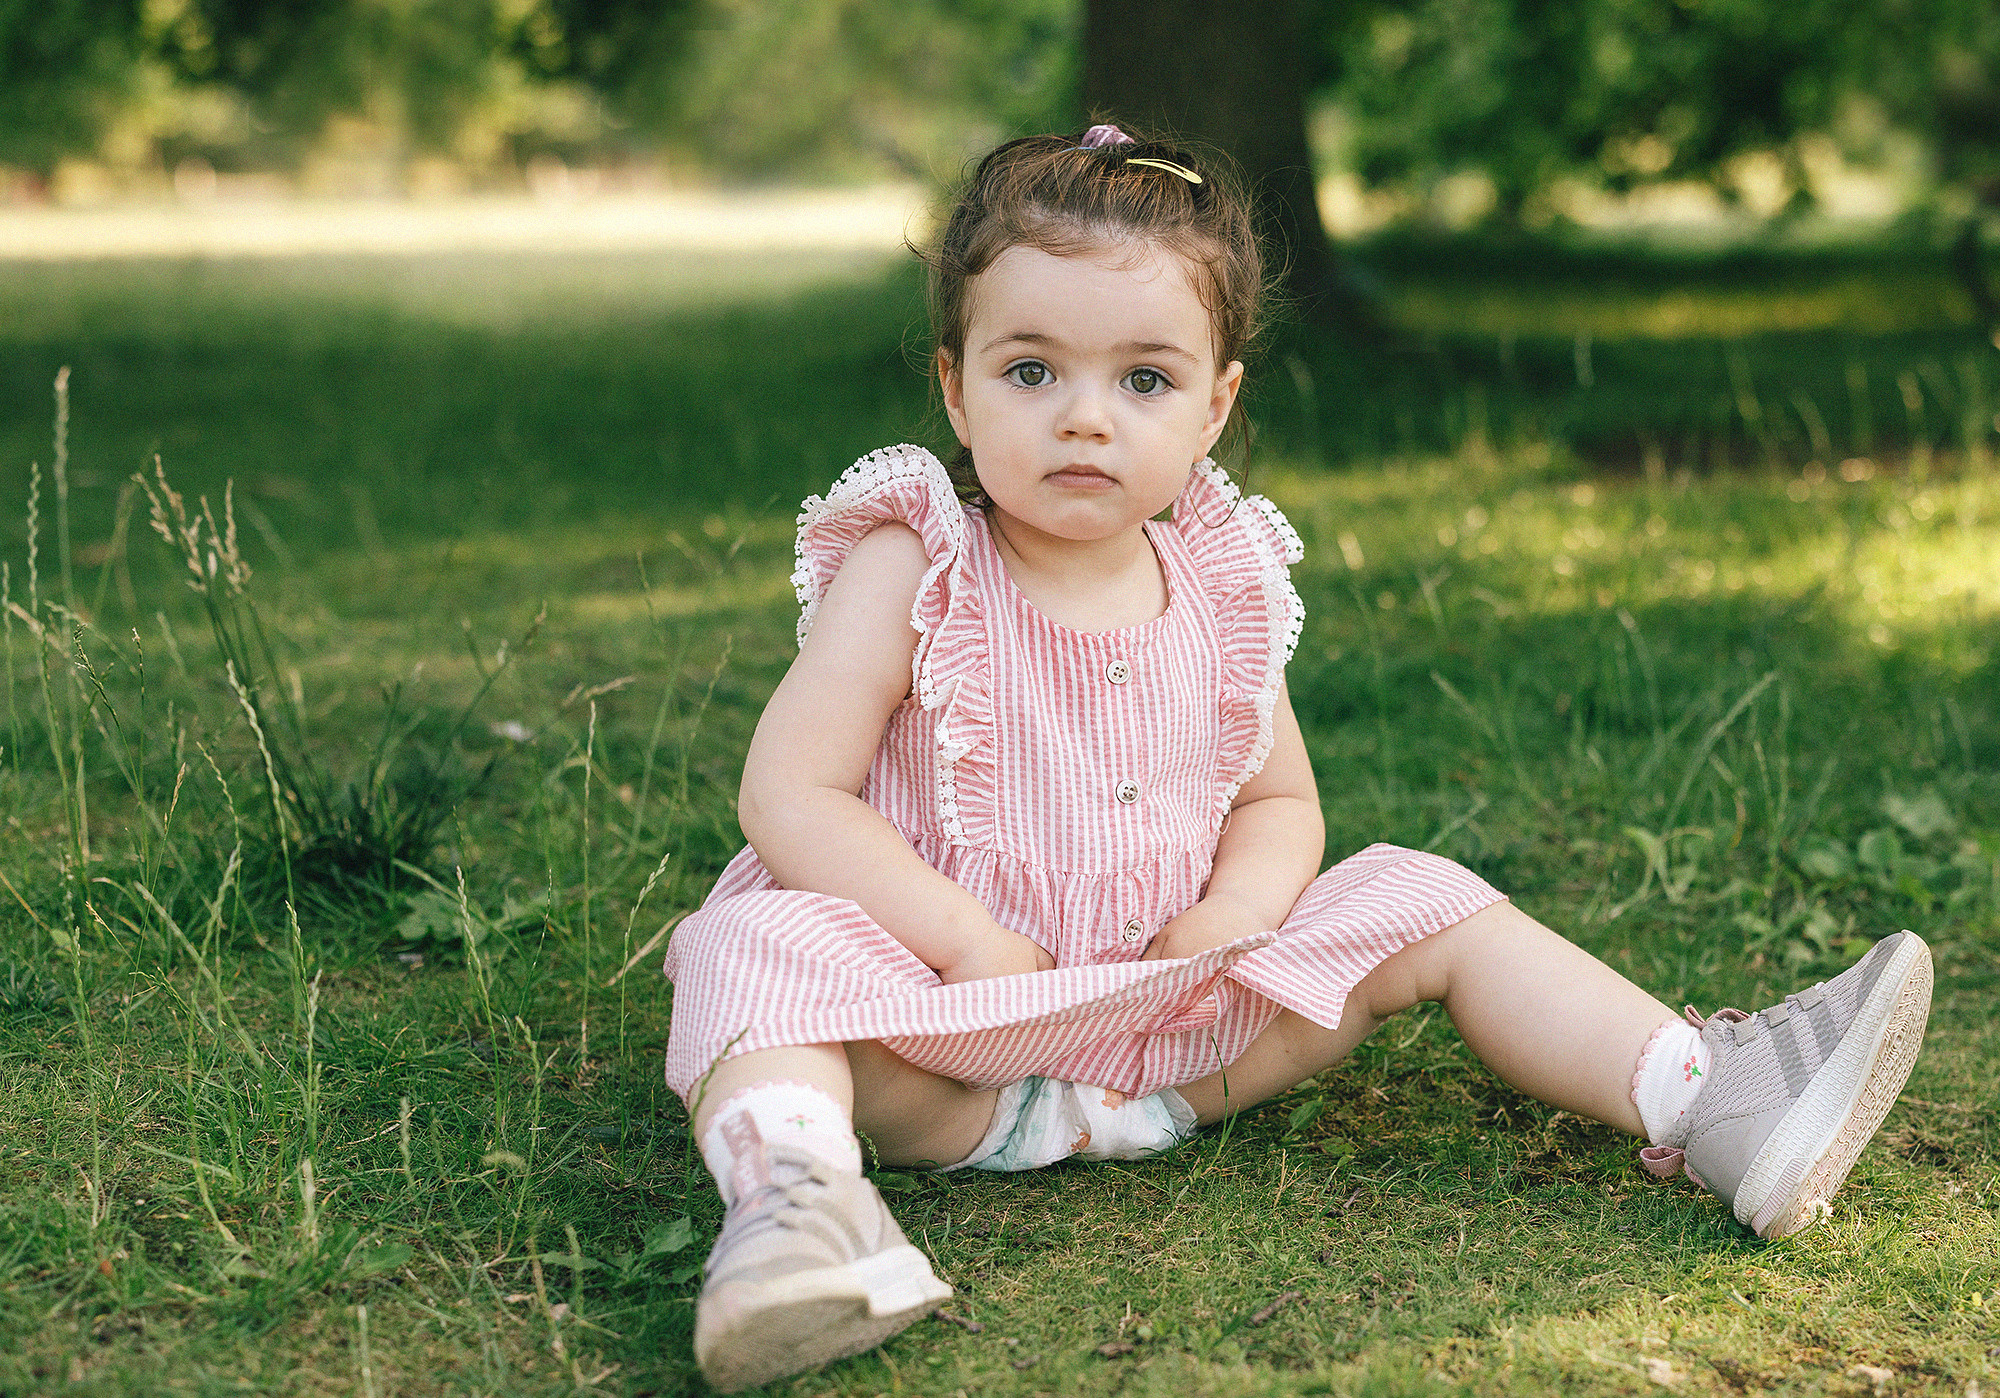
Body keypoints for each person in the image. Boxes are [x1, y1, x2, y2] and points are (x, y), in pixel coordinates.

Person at [661, 124, 1934, 1393]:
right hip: (943, 1041)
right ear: (955, 387)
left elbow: (1278, 798)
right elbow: (791, 793)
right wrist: (959, 938)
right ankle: (797, 1210)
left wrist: (1235, 912)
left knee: (1421, 896)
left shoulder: (1217, 580)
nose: (1085, 421)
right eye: (1031, 371)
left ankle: (1707, 1098)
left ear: (1215, 404)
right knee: (756, 946)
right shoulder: (914, 563)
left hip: (1178, 1036)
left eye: (1144, 381)